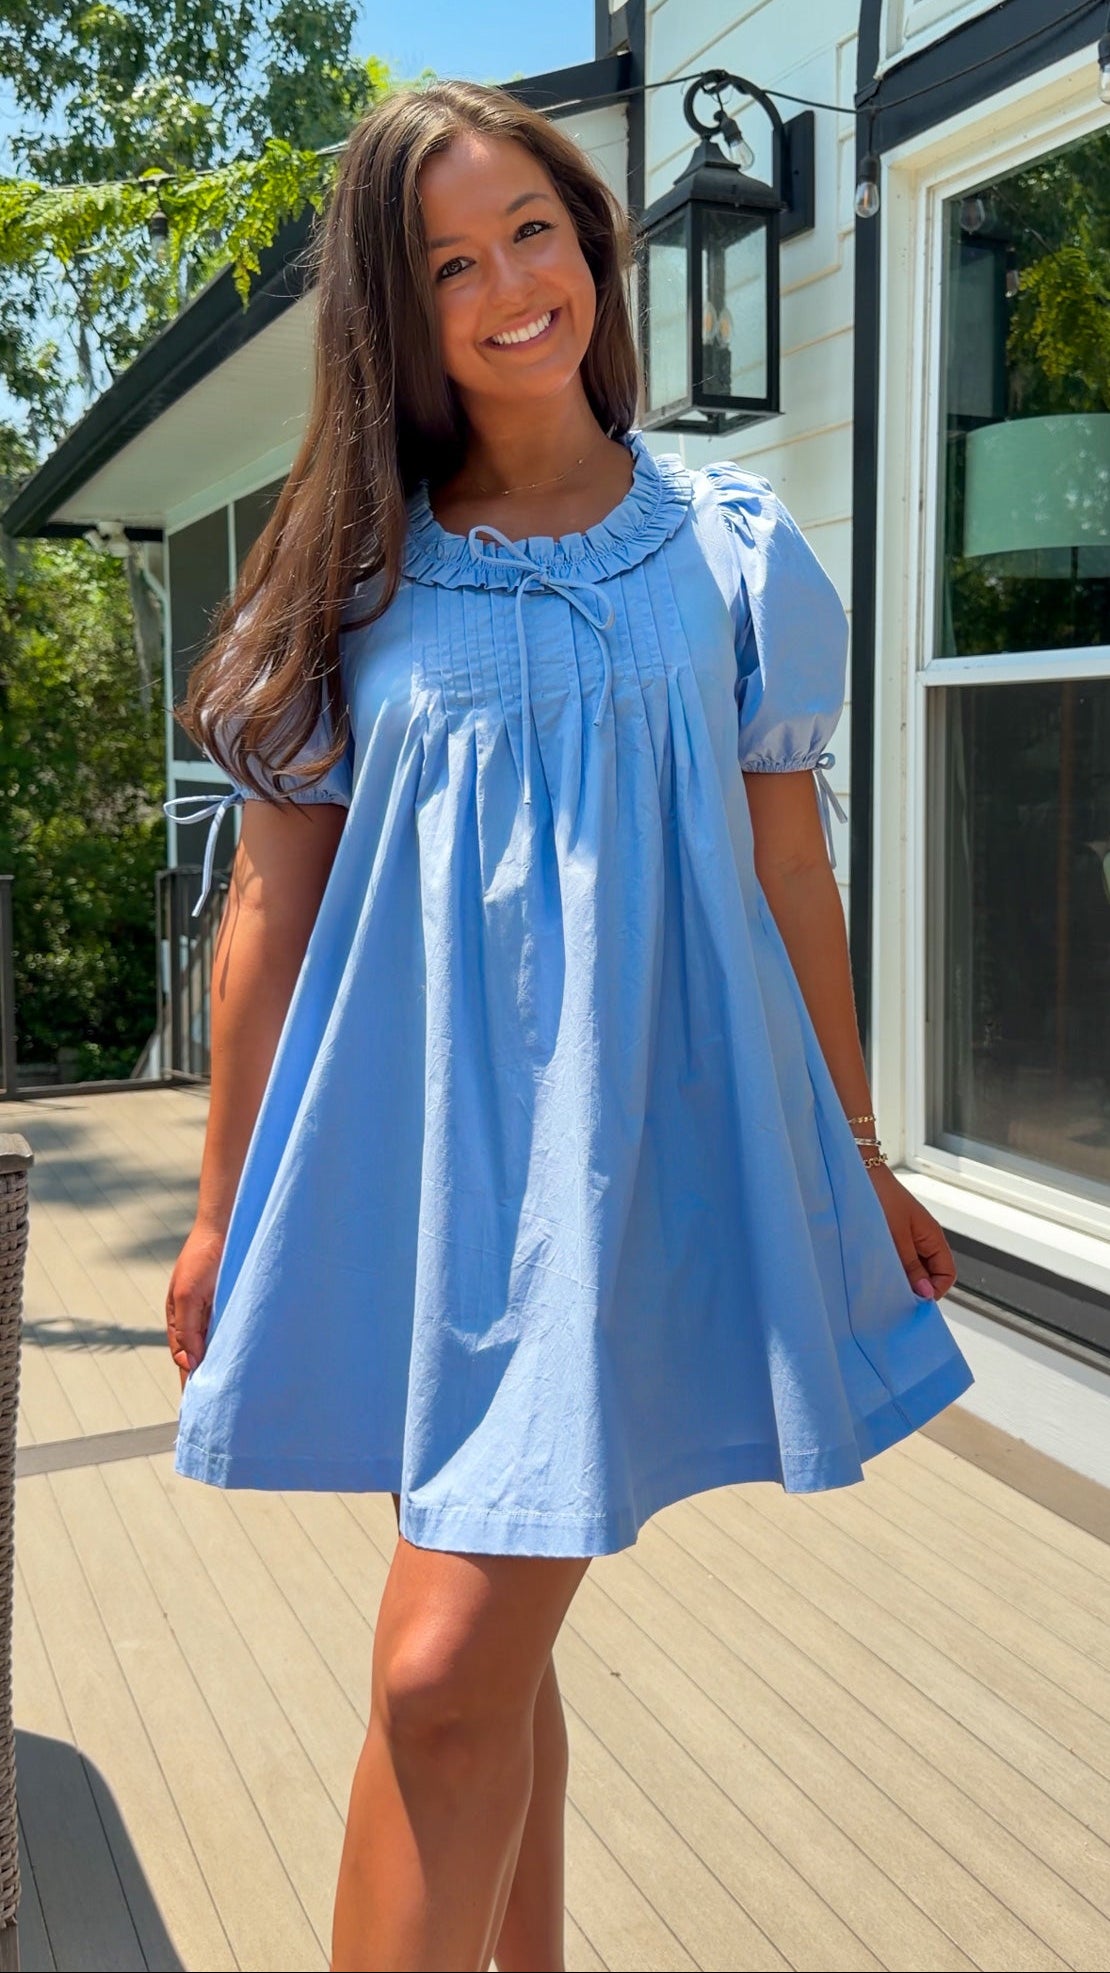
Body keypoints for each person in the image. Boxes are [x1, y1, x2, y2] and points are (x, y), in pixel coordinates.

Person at [163, 80, 973, 1973]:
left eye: (532, 228)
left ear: (589, 235)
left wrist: (858, 1157)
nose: (511, 284)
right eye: (451, 261)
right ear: (398, 307)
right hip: (416, 1171)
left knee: (442, 1668)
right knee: (486, 1664)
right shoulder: (354, 571)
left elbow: (788, 871)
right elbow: (267, 914)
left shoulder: (728, 544)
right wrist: (219, 1206)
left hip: (633, 1162)